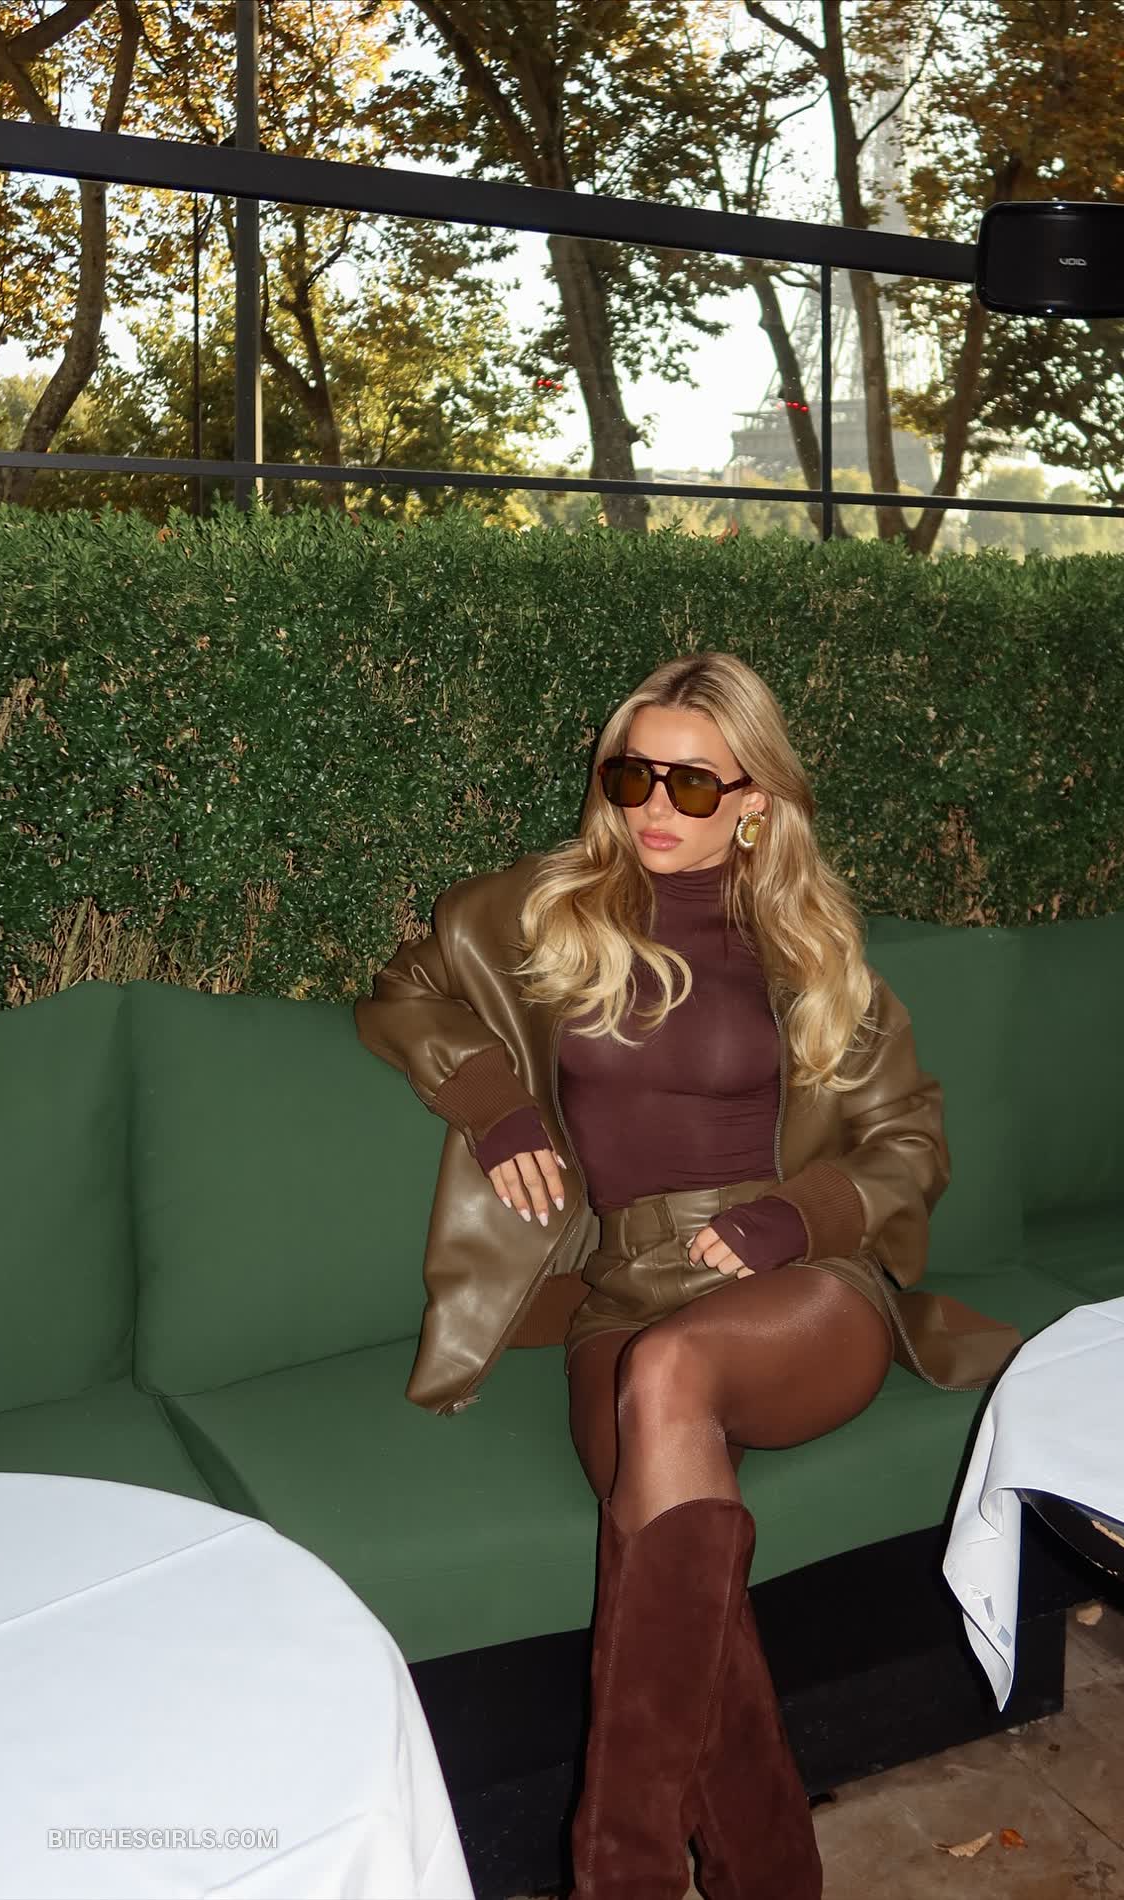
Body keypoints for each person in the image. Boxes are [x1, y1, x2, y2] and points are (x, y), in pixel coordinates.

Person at [354, 650, 1019, 1900]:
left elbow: (910, 1142)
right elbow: (403, 992)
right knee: (674, 1557)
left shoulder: (812, 952)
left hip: (804, 1293)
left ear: (755, 799)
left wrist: (798, 1215)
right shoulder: (536, 911)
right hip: (619, 1289)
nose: (655, 807)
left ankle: (619, 1875)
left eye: (694, 784)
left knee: (669, 1377)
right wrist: (494, 1104)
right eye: (633, 775)